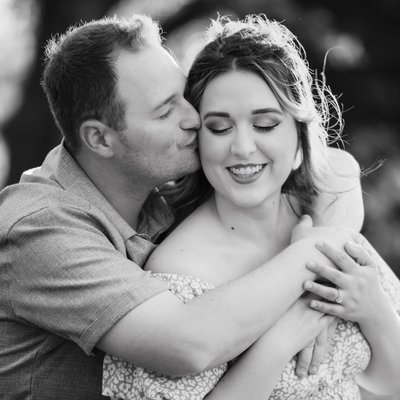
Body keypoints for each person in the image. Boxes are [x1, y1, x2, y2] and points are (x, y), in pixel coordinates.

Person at [0, 14, 366, 400]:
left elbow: (335, 167)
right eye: (165, 111)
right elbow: (188, 346)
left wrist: (327, 245)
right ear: (100, 139)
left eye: (184, 97)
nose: (194, 119)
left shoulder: (157, 189)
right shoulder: (39, 229)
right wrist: (316, 262)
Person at [101, 15, 400, 400]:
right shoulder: (181, 276)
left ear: (299, 136)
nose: (242, 148)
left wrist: (373, 307)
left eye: (265, 124)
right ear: (197, 139)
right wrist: (280, 341)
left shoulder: (327, 220)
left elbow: (390, 385)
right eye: (219, 128)